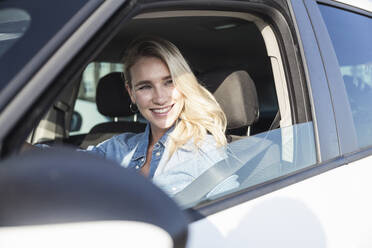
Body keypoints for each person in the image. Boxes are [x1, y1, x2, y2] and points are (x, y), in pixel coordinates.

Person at [28, 37, 238, 197]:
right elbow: (64, 163)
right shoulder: (119, 147)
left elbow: (230, 221)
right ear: (131, 93)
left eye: (169, 82)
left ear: (184, 85)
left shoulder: (204, 151)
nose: (160, 97)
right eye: (145, 86)